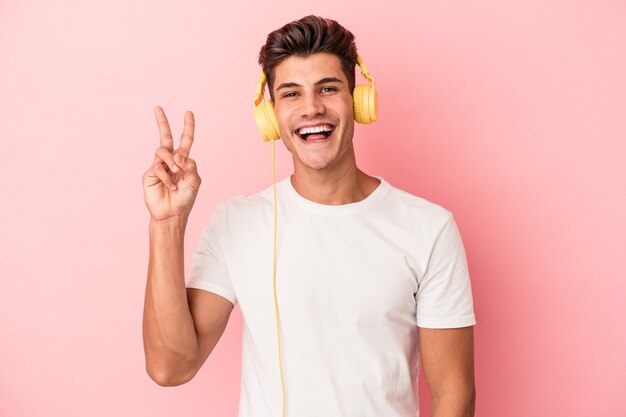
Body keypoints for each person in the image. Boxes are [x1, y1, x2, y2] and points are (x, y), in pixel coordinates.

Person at [142, 15, 476, 417]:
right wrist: (167, 224)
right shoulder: (236, 223)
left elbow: (453, 394)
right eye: (291, 94)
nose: (312, 108)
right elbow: (171, 367)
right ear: (271, 115)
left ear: (358, 100)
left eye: (328, 88)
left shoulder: (429, 228)